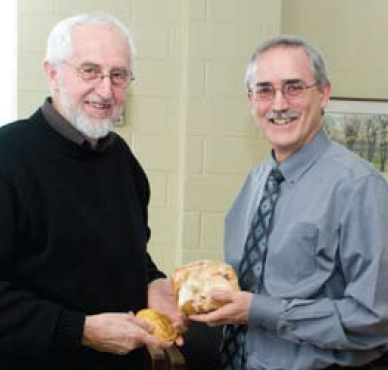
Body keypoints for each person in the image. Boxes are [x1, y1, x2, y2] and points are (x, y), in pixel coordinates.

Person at [190, 35, 388, 370]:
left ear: (324, 93)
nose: (279, 104)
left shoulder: (360, 188)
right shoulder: (255, 182)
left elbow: (374, 318)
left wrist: (260, 310)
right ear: (251, 101)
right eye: (265, 90)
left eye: (294, 87)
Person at [0, 12, 185, 370]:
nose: (106, 90)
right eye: (90, 71)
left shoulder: (122, 159)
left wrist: (153, 282)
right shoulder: (8, 157)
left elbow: (122, 254)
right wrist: (80, 330)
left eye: (118, 75)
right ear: (52, 73)